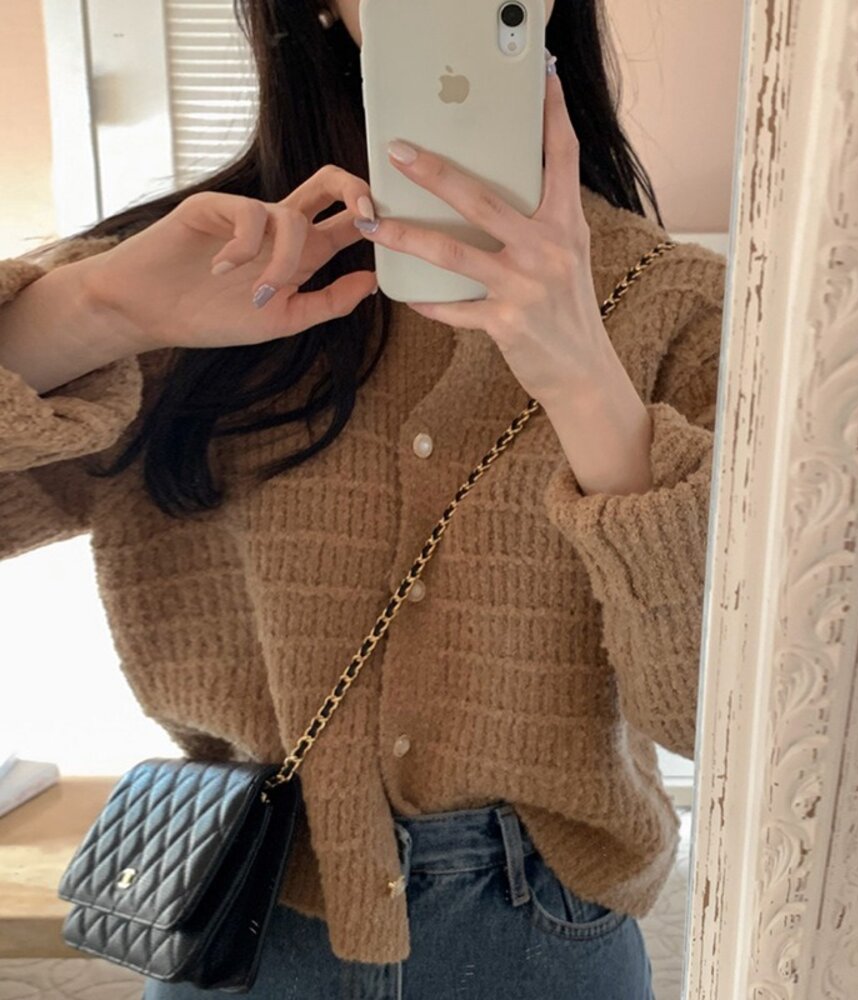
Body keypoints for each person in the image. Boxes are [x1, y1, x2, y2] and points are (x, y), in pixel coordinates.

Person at [0, 1, 726, 997]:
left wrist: (588, 384)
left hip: (541, 937)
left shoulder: (675, 304)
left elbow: (712, 716)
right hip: (243, 907)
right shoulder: (189, 270)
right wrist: (95, 310)